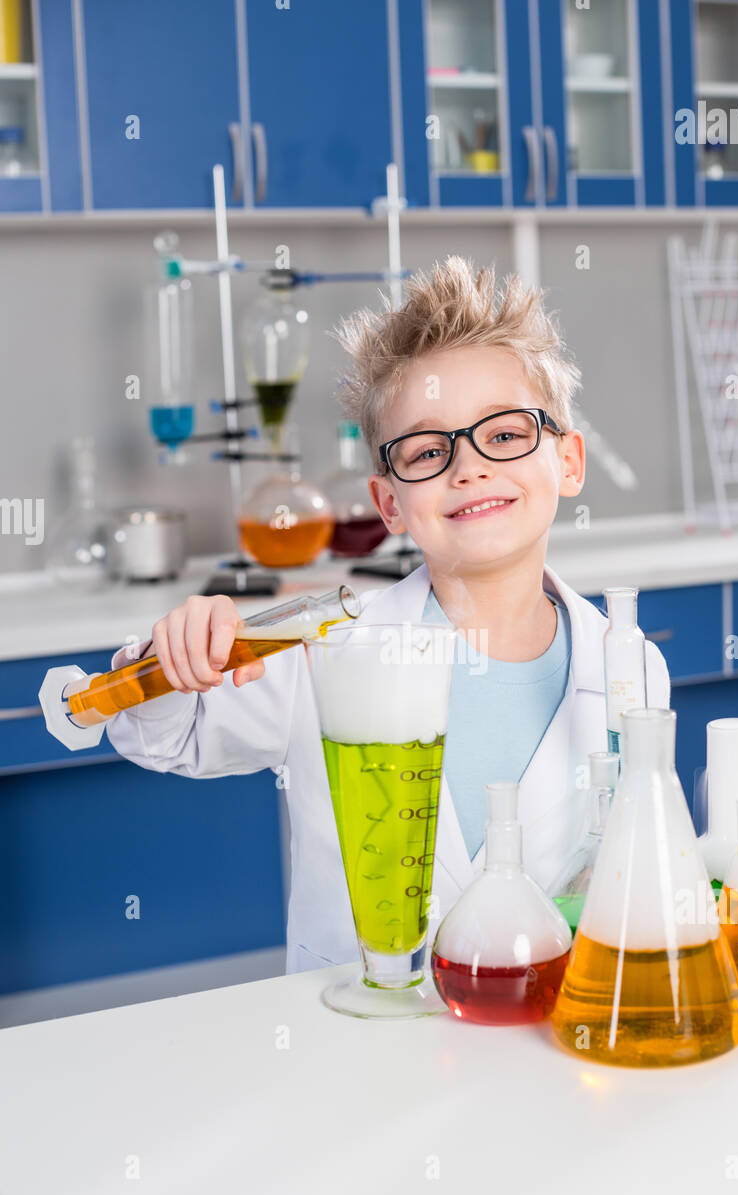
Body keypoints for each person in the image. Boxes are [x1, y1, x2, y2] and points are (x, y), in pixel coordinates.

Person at [107, 256, 669, 972]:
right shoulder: (319, 650)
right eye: (429, 450)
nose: (468, 468)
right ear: (388, 504)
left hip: (551, 1047)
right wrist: (174, 654)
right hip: (356, 1051)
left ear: (568, 461)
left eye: (503, 434)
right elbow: (159, 733)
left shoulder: (629, 666)